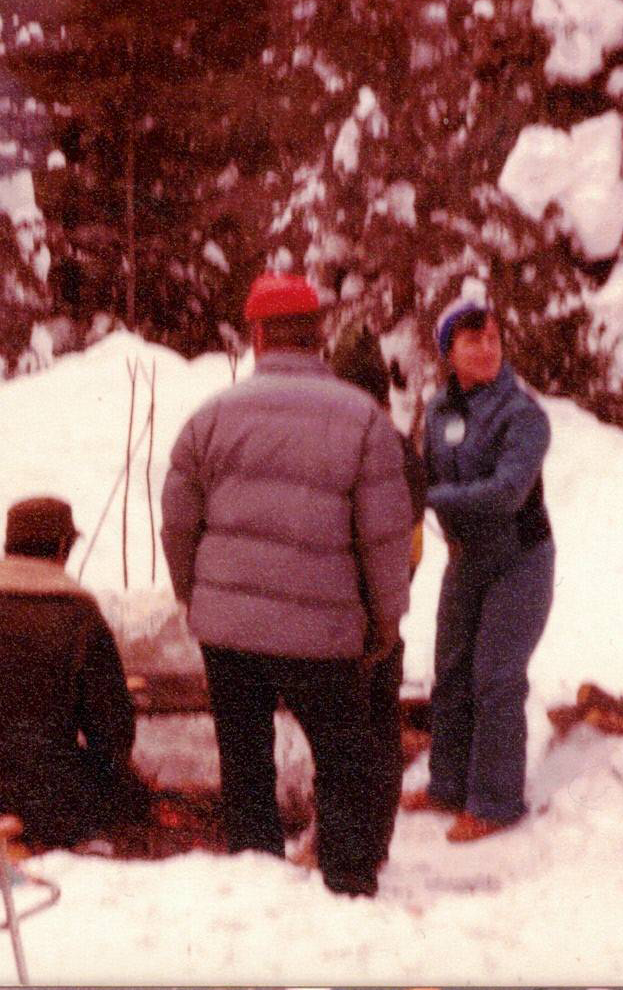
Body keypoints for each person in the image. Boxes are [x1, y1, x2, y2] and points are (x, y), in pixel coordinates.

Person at [160, 273, 413, 897]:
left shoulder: (209, 418)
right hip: (325, 636)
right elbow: (384, 541)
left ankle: (257, 884)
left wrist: (198, 598)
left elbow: (176, 522)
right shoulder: (363, 421)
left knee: (245, 762)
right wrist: (384, 625)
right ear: (319, 336)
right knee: (343, 761)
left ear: (256, 336)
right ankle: (349, 884)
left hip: (229, 635)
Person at [401, 302, 554, 843]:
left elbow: (508, 492)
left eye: (492, 338)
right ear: (449, 351)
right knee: (452, 669)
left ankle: (495, 801)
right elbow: (422, 468)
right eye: (472, 341)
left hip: (520, 560)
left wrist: (430, 496)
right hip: (467, 558)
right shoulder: (440, 410)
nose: (486, 349)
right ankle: (447, 784)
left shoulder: (524, 415)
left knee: (496, 676)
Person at [0, 496, 149, 849]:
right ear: (62, 547)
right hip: (46, 797)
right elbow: (113, 731)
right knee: (127, 791)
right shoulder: (79, 616)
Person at [329, 326, 429, 870]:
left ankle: (353, 848)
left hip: (349, 613)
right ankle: (374, 843)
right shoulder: (399, 448)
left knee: (354, 736)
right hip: (382, 609)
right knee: (378, 727)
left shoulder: (345, 439)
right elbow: (412, 549)